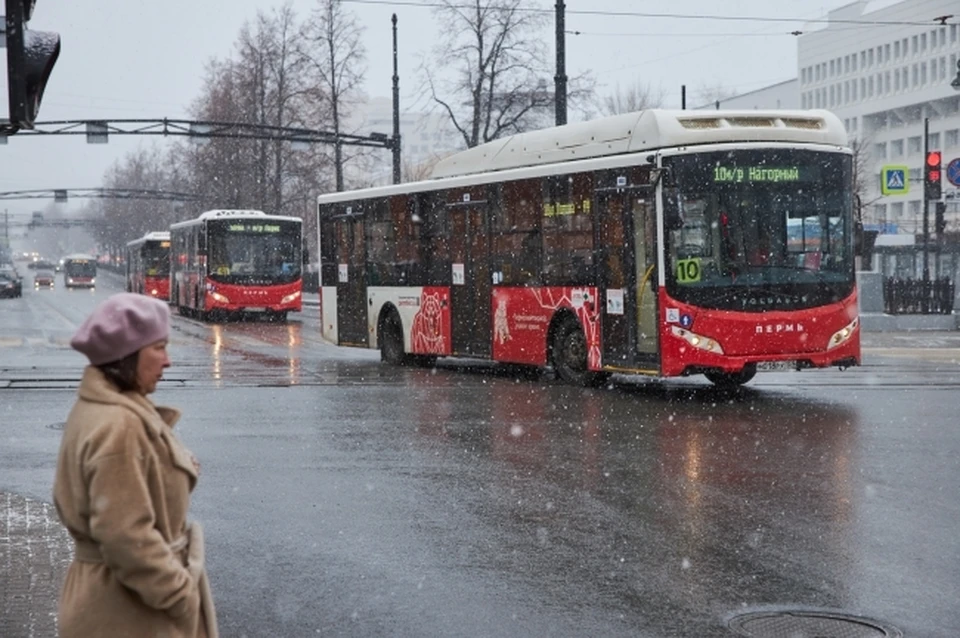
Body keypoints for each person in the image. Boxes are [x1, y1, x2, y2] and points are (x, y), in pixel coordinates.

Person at [53, 293, 218, 638]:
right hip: (129, 612)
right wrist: (180, 595)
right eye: (159, 348)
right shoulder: (120, 425)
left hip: (108, 603)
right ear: (127, 355)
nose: (167, 361)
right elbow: (125, 535)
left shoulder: (100, 409)